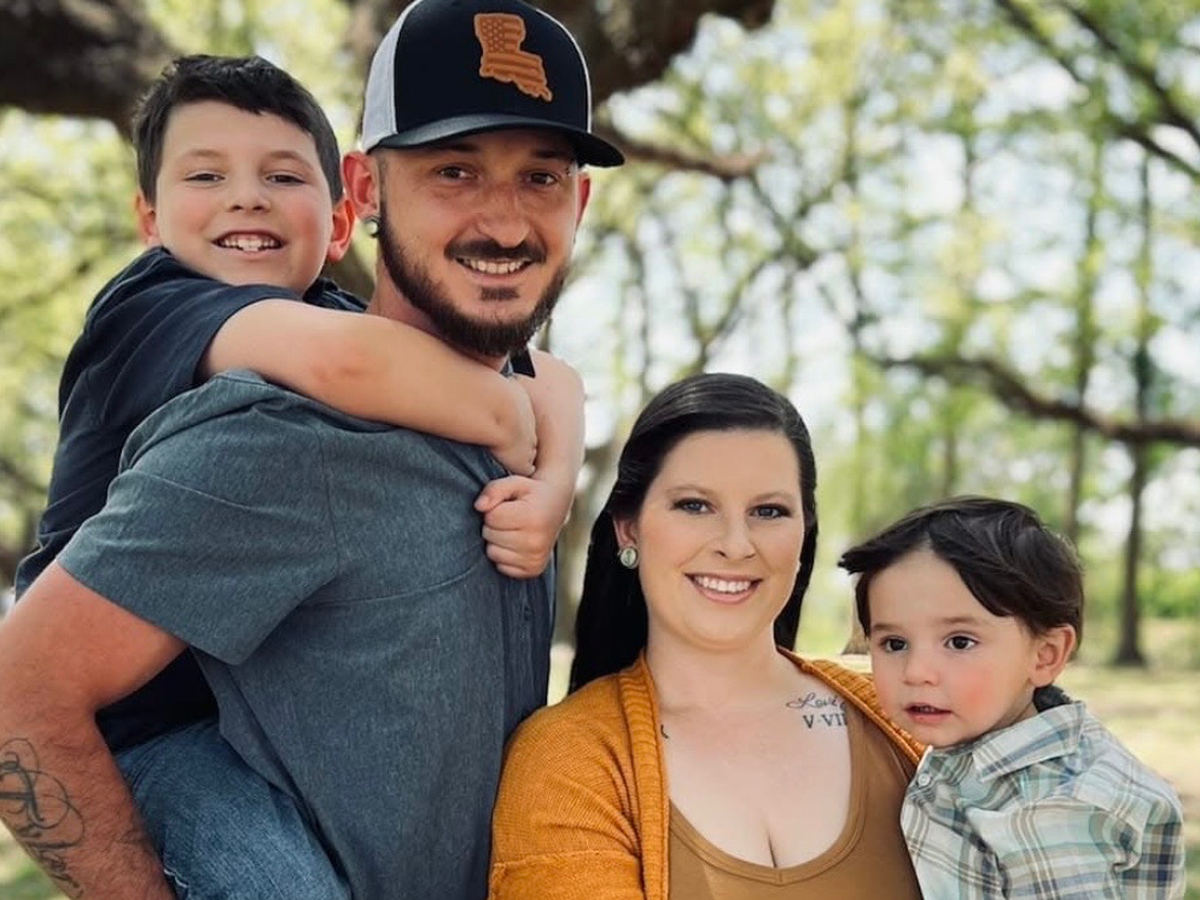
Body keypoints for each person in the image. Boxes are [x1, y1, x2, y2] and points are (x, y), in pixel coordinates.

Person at [0, 0, 622, 897]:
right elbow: (21, 694)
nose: (505, 220)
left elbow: (548, 381)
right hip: (171, 766)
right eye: (453, 171)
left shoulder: (511, 422)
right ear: (365, 193)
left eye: (542, 177)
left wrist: (552, 474)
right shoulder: (282, 430)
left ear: (581, 200)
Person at [489, 373, 925, 899]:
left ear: (804, 532)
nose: (736, 545)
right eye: (695, 505)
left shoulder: (911, 711)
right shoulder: (565, 762)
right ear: (628, 527)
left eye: (769, 511)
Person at [839, 496, 1185, 900]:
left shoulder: (1054, 816)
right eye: (894, 643)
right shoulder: (981, 741)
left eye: (959, 641)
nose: (916, 672)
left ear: (1045, 655)